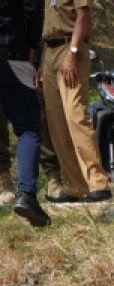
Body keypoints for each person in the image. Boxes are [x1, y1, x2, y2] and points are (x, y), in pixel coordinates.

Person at [37, 0, 109, 202]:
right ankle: (75, 184)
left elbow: (84, 15)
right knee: (56, 121)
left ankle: (97, 180)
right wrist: (43, 62)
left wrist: (73, 52)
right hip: (50, 50)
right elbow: (49, 25)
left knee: (75, 114)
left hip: (70, 48)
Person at [0, 0, 50, 226]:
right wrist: (32, 45)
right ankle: (27, 195)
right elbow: (32, 8)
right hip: (12, 51)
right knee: (29, 128)